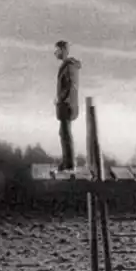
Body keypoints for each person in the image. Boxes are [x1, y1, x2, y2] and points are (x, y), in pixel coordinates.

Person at [53, 40, 82, 172]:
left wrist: (61, 99)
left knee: (65, 133)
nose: (55, 53)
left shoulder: (69, 66)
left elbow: (70, 86)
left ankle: (69, 164)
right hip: (67, 104)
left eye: (57, 50)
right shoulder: (68, 65)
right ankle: (67, 161)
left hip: (67, 105)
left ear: (63, 50)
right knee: (64, 132)